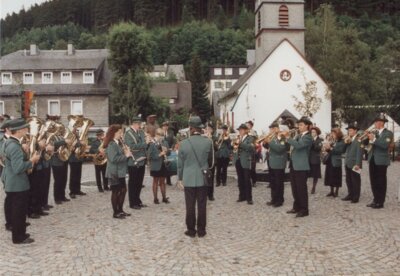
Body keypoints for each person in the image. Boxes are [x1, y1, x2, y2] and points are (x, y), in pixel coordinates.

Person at [2, 118, 40, 244]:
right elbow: (18, 168)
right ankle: (19, 237)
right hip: (17, 184)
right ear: (18, 131)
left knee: (17, 210)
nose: (26, 130)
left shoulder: (11, 143)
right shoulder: (14, 146)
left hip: (13, 183)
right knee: (19, 211)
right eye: (24, 128)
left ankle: (20, 232)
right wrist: (32, 161)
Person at [178, 116, 213, 238]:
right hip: (202, 178)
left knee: (190, 205)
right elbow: (212, 162)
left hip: (188, 177)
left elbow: (180, 165)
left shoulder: (183, 143)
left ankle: (191, 230)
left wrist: (179, 179)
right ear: (200, 128)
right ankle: (202, 230)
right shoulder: (208, 142)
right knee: (202, 205)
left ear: (191, 128)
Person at [284, 116, 312, 218]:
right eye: (298, 125)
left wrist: (288, 138)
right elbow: (292, 146)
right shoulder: (298, 135)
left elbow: (299, 146)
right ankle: (296, 207)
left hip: (301, 166)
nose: (298, 126)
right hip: (294, 165)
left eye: (301, 125)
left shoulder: (308, 137)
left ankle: (304, 209)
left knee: (301, 189)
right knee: (294, 188)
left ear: (307, 126)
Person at [365, 113, 394, 209]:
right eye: (375, 122)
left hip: (381, 160)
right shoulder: (374, 132)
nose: (375, 123)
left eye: (377, 122)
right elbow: (366, 144)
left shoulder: (388, 133)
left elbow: (384, 145)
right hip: (372, 158)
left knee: (381, 181)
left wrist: (374, 139)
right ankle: (375, 199)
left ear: (382, 123)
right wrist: (366, 136)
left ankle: (380, 202)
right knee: (373, 180)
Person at [104, 125, 132, 219]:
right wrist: (126, 156)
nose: (121, 134)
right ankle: (115, 212)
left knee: (123, 190)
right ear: (114, 133)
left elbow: (120, 155)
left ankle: (120, 210)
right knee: (115, 191)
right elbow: (113, 159)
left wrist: (125, 151)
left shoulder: (118, 143)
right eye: (119, 132)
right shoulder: (111, 144)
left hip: (120, 171)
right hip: (114, 172)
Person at [124, 116, 148, 210]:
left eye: (140, 124)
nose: (140, 126)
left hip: (142, 160)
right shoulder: (128, 134)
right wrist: (144, 144)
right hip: (133, 162)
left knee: (139, 183)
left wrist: (146, 144)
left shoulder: (141, 132)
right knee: (133, 183)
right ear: (134, 124)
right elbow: (131, 147)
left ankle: (138, 200)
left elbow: (143, 144)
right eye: (139, 124)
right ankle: (132, 202)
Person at [262, 122, 288, 207]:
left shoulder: (282, 137)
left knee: (279, 182)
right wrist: (265, 142)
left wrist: (269, 142)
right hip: (272, 162)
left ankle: (279, 200)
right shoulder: (272, 137)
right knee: (273, 182)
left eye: (273, 129)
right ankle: (273, 199)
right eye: (270, 129)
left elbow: (279, 149)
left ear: (277, 128)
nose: (271, 131)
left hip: (279, 163)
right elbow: (268, 147)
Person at [233, 124, 255, 205]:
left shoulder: (250, 138)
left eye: (241, 130)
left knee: (247, 180)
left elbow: (250, 148)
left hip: (245, 160)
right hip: (238, 160)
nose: (240, 131)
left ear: (246, 130)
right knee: (240, 179)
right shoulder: (238, 137)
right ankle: (242, 196)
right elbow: (234, 147)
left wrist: (240, 144)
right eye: (239, 130)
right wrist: (234, 146)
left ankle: (249, 198)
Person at [148, 127, 170, 204]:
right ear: (156, 135)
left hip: (163, 164)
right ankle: (155, 199)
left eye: (162, 135)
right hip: (155, 165)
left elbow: (169, 153)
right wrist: (159, 154)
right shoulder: (152, 143)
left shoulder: (165, 142)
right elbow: (149, 156)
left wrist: (166, 151)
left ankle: (164, 198)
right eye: (159, 135)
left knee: (163, 182)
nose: (161, 137)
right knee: (155, 181)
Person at [51, 123, 71, 205]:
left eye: (62, 129)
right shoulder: (52, 136)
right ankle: (57, 197)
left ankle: (62, 195)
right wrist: (64, 141)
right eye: (60, 129)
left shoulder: (62, 136)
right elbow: (53, 144)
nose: (61, 130)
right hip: (56, 161)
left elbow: (66, 146)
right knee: (58, 180)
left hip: (63, 160)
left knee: (64, 179)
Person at [343, 122, 363, 203]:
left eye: (351, 130)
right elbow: (344, 150)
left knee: (356, 181)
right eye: (348, 131)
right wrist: (346, 142)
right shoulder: (349, 139)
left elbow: (359, 152)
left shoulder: (359, 139)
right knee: (348, 180)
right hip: (348, 162)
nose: (349, 132)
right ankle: (350, 194)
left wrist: (358, 164)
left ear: (355, 131)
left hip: (355, 163)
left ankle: (356, 197)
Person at [323, 128, 346, 198]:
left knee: (336, 176)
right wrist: (326, 148)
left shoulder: (342, 142)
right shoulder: (334, 141)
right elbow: (330, 150)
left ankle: (336, 191)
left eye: (333, 134)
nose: (332, 135)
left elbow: (340, 151)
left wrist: (330, 148)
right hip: (330, 160)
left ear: (337, 134)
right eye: (332, 134)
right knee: (329, 175)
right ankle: (331, 191)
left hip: (336, 160)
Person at [68, 129, 86, 199]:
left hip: (79, 158)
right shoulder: (70, 137)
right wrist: (80, 143)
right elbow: (72, 146)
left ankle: (77, 190)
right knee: (73, 176)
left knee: (78, 175)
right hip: (73, 159)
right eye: (76, 131)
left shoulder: (78, 138)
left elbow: (81, 145)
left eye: (77, 131)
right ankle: (72, 191)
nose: (77, 132)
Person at [309, 126, 323, 194]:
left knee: (315, 174)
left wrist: (312, 142)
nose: (312, 133)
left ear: (317, 133)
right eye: (311, 132)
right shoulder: (309, 139)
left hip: (315, 159)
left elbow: (318, 148)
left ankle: (314, 187)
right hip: (308, 159)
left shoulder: (319, 140)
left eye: (314, 132)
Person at [204, 123, 217, 201]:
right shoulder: (203, 138)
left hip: (211, 161)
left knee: (211, 179)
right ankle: (204, 194)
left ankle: (210, 195)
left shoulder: (214, 138)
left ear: (212, 131)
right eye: (206, 129)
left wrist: (211, 139)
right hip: (204, 161)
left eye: (209, 129)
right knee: (204, 179)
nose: (207, 130)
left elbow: (216, 148)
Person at [161, 122, 176, 186]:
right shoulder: (160, 132)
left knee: (168, 165)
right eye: (164, 126)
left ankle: (168, 181)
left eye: (166, 126)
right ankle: (161, 181)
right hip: (161, 151)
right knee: (162, 166)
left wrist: (172, 148)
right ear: (162, 127)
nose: (165, 127)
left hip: (168, 151)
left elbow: (173, 141)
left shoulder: (171, 133)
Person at [246, 121, 258, 187]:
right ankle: (247, 181)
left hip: (252, 152)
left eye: (248, 125)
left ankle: (254, 181)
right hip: (246, 152)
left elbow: (256, 140)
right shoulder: (245, 132)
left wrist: (252, 134)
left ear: (251, 126)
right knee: (246, 168)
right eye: (246, 125)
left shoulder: (254, 132)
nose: (247, 126)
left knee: (253, 168)